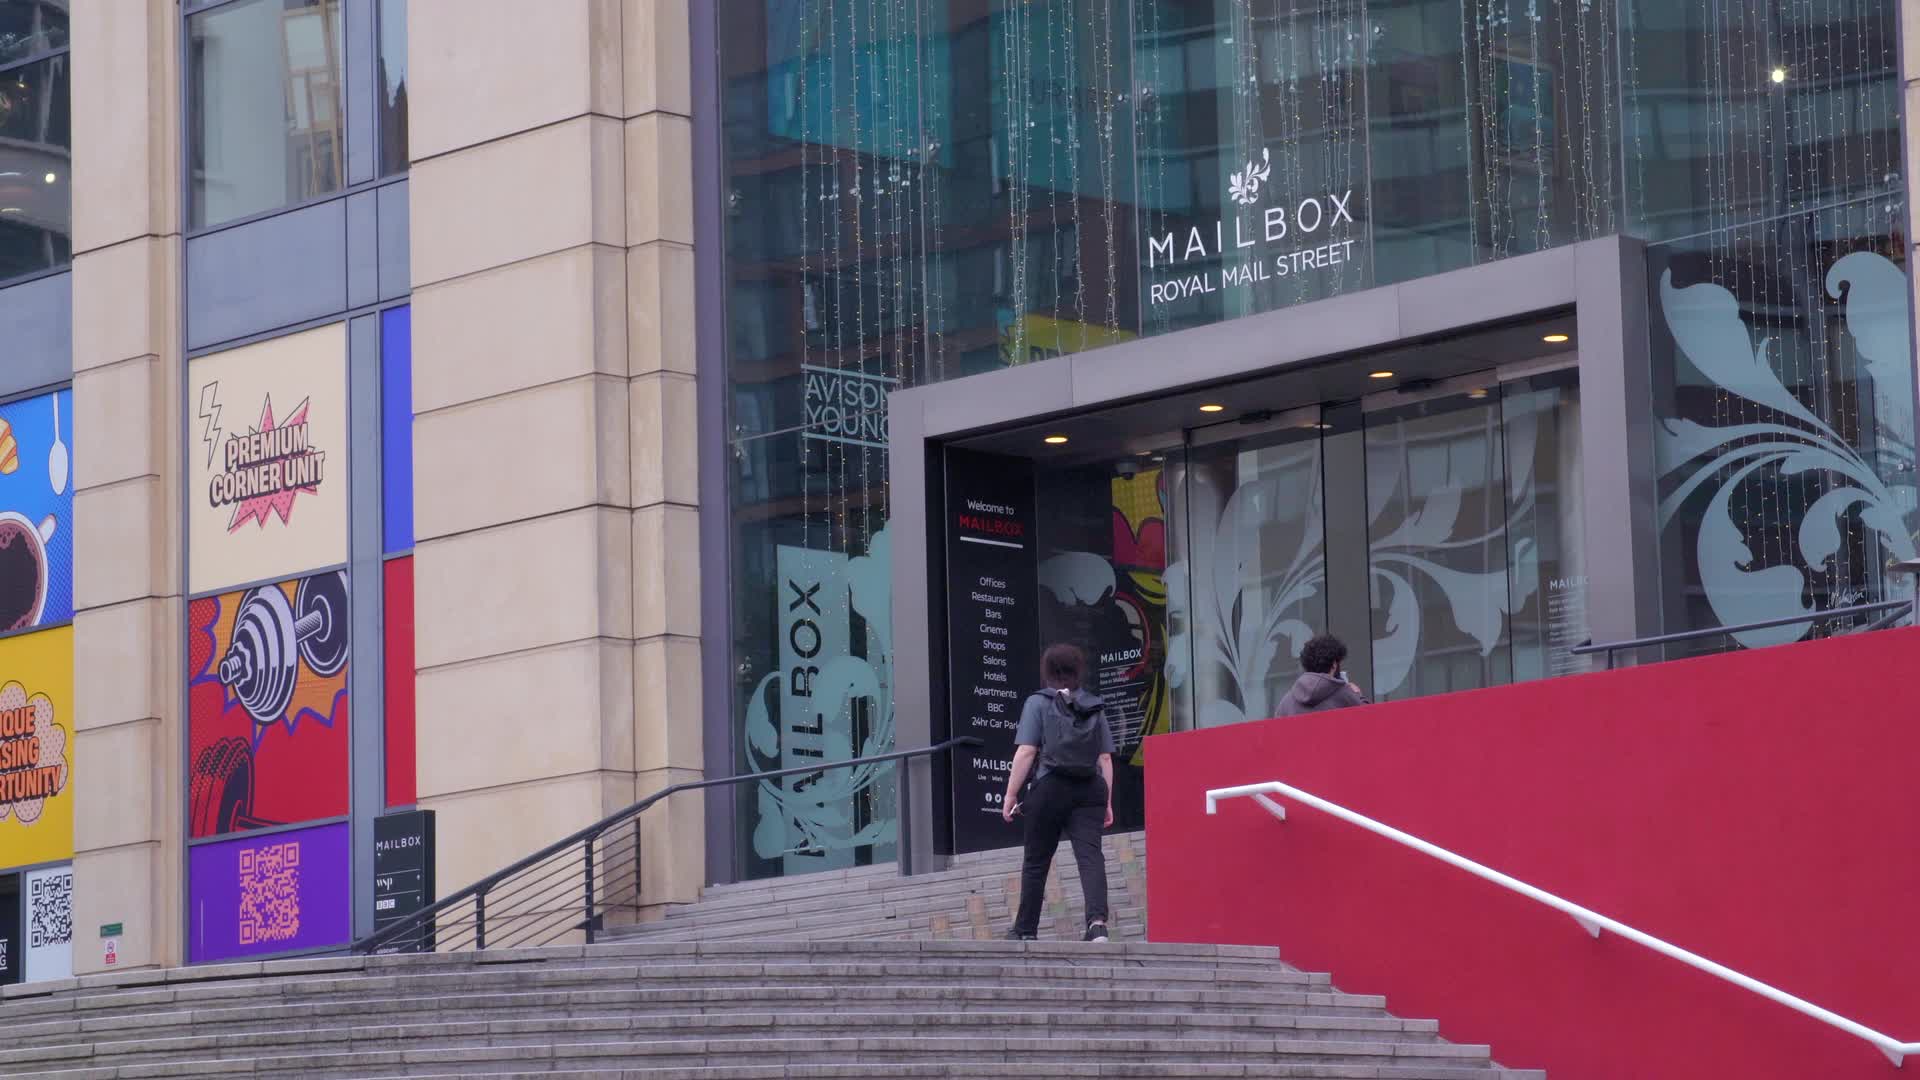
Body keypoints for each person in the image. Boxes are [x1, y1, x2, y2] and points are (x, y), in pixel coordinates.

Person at [1001, 643, 1115, 942]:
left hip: (1049, 786)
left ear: (1047, 672)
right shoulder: (1095, 706)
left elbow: (1026, 751)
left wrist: (1011, 795)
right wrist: (1108, 802)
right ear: (1079, 670)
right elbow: (1105, 759)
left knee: (1037, 860)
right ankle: (1097, 924)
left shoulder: (1037, 703)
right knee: (1090, 856)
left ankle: (1026, 929)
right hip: (1090, 788)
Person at [1279, 634, 1369, 716]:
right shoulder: (1345, 694)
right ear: (1334, 665)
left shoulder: (1286, 702)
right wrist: (1358, 695)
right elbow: (1370, 720)